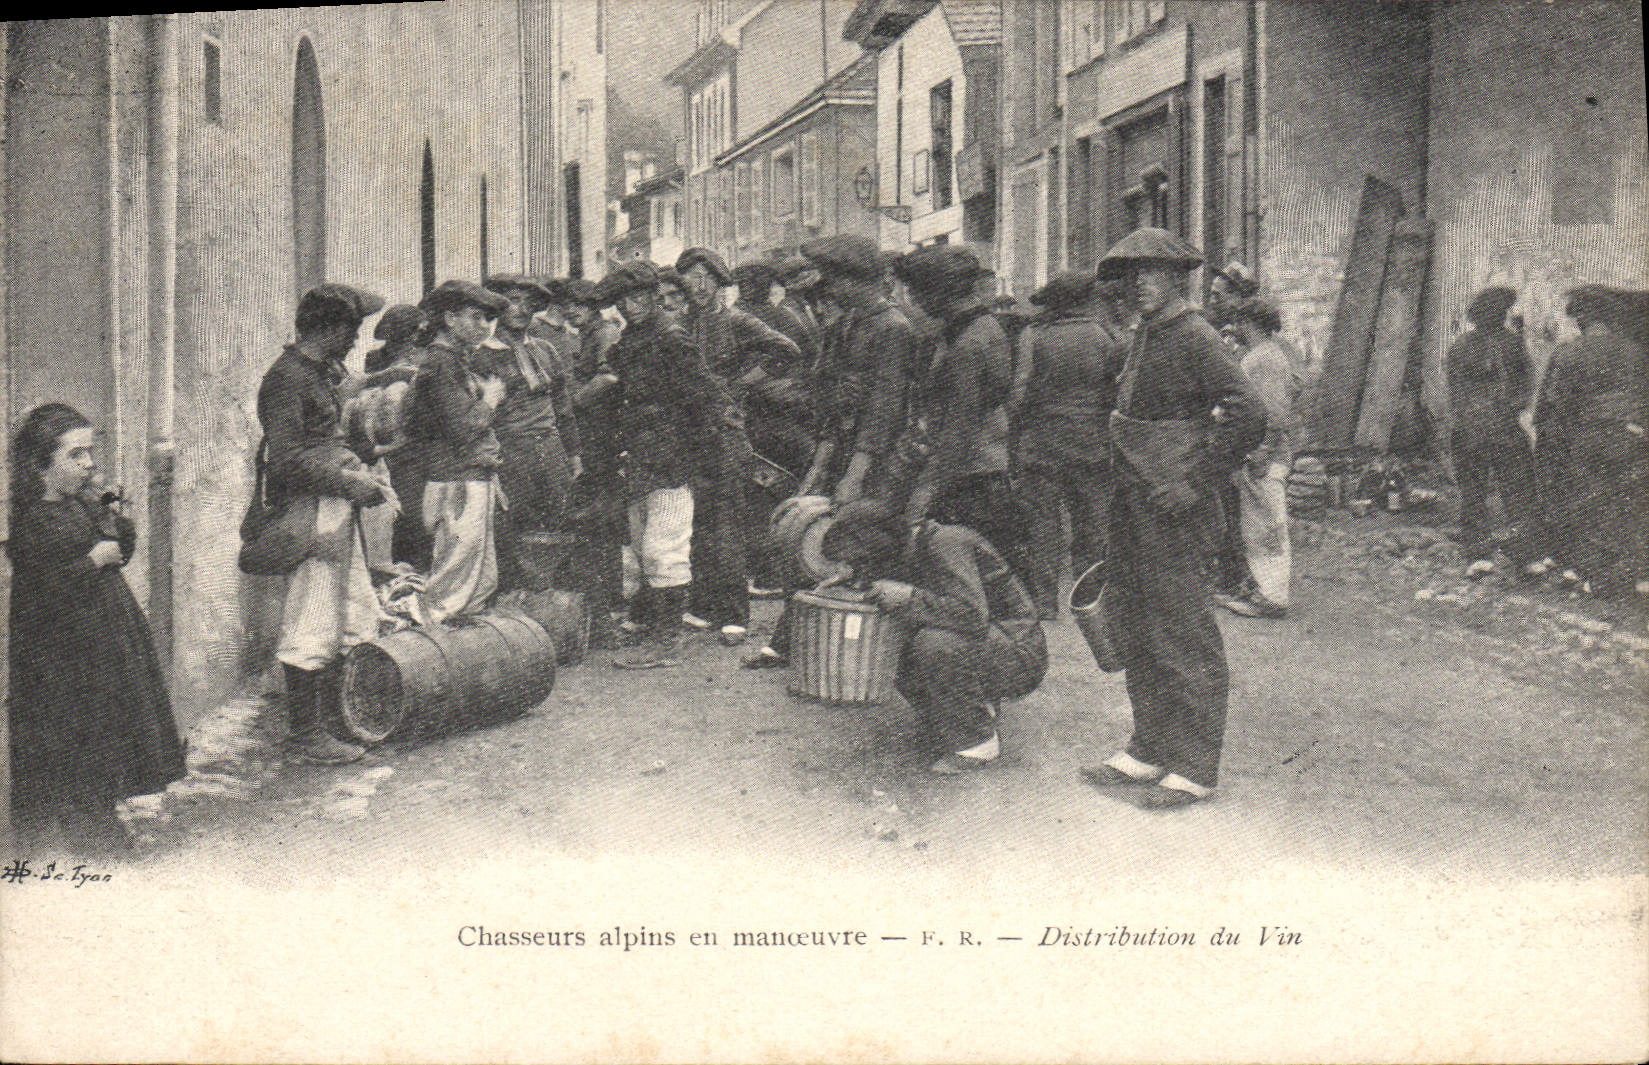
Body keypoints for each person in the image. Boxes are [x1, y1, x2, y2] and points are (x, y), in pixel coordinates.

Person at [1077, 228, 1265, 810]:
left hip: (1177, 507)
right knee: (1134, 622)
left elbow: (1248, 413)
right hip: (1135, 501)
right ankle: (1149, 745)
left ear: (1178, 277)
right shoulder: (1147, 336)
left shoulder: (1196, 337)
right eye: (1132, 275)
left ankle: (1196, 763)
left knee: (1182, 629)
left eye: (1153, 273)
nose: (1140, 284)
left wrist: (1196, 480)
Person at [7, 404, 187, 855]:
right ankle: (89, 830)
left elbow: (121, 549)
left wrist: (112, 517)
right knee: (77, 737)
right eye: (76, 455)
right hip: (63, 654)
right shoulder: (32, 520)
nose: (88, 464)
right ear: (42, 463)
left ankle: (98, 815)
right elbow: (40, 592)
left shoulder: (75, 504)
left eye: (90, 453)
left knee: (105, 731)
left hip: (99, 643)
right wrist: (92, 560)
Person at [744, 234, 920, 671]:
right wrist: (819, 468)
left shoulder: (893, 328)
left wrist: (854, 473)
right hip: (842, 450)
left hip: (878, 459)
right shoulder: (847, 326)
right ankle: (802, 638)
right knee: (813, 541)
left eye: (837, 280)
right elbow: (832, 405)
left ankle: (874, 649)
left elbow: (883, 411)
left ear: (861, 280)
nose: (830, 291)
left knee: (863, 547)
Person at [256, 282, 391, 765]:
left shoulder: (315, 372)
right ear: (328, 328)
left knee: (348, 612)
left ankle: (336, 720)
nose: (356, 339)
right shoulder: (287, 379)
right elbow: (287, 460)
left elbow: (323, 437)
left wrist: (351, 466)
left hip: (332, 507)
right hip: (311, 512)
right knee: (311, 618)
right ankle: (305, 735)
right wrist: (348, 482)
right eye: (351, 329)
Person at [816, 500, 1046, 774]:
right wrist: (853, 583)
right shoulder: (911, 546)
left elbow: (972, 615)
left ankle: (977, 742)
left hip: (1018, 652)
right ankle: (968, 713)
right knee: (897, 638)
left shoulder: (946, 542)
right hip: (993, 642)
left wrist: (909, 596)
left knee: (933, 645)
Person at [595, 260, 741, 669]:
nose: (631, 305)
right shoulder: (632, 341)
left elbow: (705, 400)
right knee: (645, 548)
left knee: (665, 549)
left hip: (674, 457)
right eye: (622, 300)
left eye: (639, 296)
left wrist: (700, 461)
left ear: (654, 295)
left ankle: (667, 641)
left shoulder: (671, 338)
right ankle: (656, 627)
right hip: (642, 454)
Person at [675, 246, 803, 645]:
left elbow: (788, 351)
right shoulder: (677, 325)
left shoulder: (738, 321)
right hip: (687, 432)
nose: (697, 287)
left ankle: (734, 613)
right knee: (694, 521)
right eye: (689, 279)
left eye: (704, 278)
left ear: (718, 282)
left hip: (727, 434)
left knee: (727, 520)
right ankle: (701, 606)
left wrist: (742, 384)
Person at [892, 245, 1029, 585]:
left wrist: (927, 492)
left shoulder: (969, 343)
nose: (914, 300)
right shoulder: (982, 328)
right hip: (984, 472)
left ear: (942, 291)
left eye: (918, 291)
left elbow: (960, 426)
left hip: (969, 480)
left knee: (965, 579)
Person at [1009, 271, 1126, 620]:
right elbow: (1118, 393)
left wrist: (1017, 430)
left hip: (1042, 443)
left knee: (1042, 527)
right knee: (1092, 525)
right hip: (1092, 444)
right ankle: (1088, 602)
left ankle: (1044, 604)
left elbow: (1019, 392)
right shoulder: (1107, 336)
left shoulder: (1033, 335)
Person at [1531, 285, 1649, 598]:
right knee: (1629, 503)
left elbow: (1559, 403)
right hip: (1633, 436)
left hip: (1592, 435)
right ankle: (1633, 573)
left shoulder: (1571, 351)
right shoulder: (1636, 351)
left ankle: (1592, 574)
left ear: (1583, 319)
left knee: (1588, 503)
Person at [404, 279, 510, 624]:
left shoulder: (453, 360)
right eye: (476, 317)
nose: (484, 326)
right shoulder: (441, 364)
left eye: (488, 320)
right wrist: (490, 400)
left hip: (467, 476)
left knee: (477, 576)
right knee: (453, 579)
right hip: (456, 480)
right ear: (449, 318)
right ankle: (427, 641)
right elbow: (463, 427)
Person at [482, 274, 582, 593]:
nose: (521, 309)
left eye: (529, 303)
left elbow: (563, 409)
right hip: (511, 454)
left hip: (551, 451)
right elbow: (480, 418)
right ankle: (515, 615)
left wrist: (574, 457)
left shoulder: (546, 350)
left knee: (562, 525)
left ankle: (560, 611)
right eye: (513, 300)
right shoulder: (481, 354)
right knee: (511, 532)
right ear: (497, 307)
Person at [1445, 286, 1541, 577]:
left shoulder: (1512, 344)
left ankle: (1518, 554)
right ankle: (1487, 553)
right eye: (1495, 314)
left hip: (1495, 428)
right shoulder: (1466, 346)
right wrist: (1494, 411)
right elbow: (1457, 389)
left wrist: (1510, 408)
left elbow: (1527, 385)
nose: (1498, 319)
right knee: (1490, 491)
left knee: (1511, 490)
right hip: (1482, 429)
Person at [1222, 297, 1298, 618]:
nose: (1236, 329)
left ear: (1251, 324)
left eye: (1240, 322)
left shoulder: (1265, 359)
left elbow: (1275, 413)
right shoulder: (1260, 356)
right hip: (1255, 452)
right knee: (1257, 524)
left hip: (1263, 455)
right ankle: (1262, 591)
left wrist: (1262, 450)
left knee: (1267, 525)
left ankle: (1273, 597)